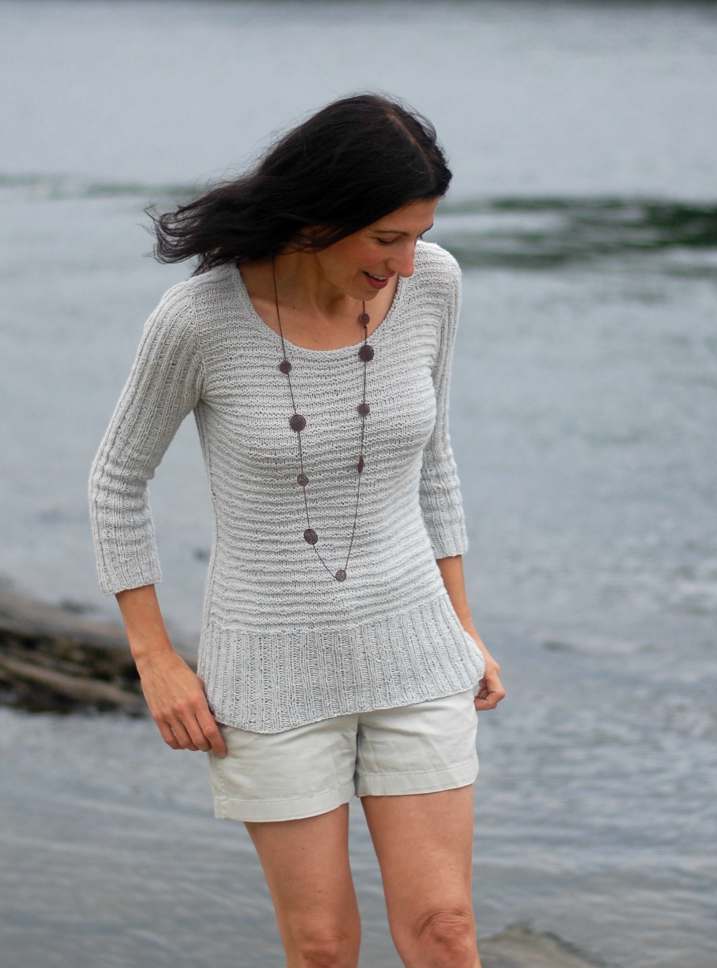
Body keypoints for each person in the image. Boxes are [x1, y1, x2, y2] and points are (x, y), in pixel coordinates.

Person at [87, 90, 506, 967]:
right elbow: (117, 482)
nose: (406, 262)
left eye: (419, 236)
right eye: (385, 239)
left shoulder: (434, 286)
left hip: (416, 649)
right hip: (269, 671)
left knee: (444, 928)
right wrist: (157, 659)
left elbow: (435, 462)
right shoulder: (198, 319)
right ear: (319, 217)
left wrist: (464, 626)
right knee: (321, 946)